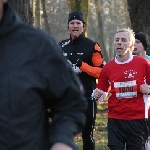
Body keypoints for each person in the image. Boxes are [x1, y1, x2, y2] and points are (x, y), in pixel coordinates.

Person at [0, 1, 87, 150]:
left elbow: (70, 103)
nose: (75, 27)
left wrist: (62, 141)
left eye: (77, 23)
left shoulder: (38, 46)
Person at [93, 28, 150, 150]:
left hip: (137, 119)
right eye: (117, 40)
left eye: (124, 40)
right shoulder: (108, 67)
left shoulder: (143, 64)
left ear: (131, 44)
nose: (119, 42)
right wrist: (98, 94)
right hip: (115, 119)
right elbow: (102, 91)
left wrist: (149, 89)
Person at [59, 11, 104, 150]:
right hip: (66, 98)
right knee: (63, 135)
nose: (75, 26)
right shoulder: (60, 46)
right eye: (72, 23)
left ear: (83, 26)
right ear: (68, 26)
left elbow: (101, 73)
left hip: (87, 98)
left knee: (87, 135)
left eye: (78, 23)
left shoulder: (92, 46)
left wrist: (80, 64)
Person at [133, 32, 150, 140]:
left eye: (137, 42)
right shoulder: (128, 62)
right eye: (133, 42)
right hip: (133, 107)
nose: (134, 44)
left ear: (144, 45)